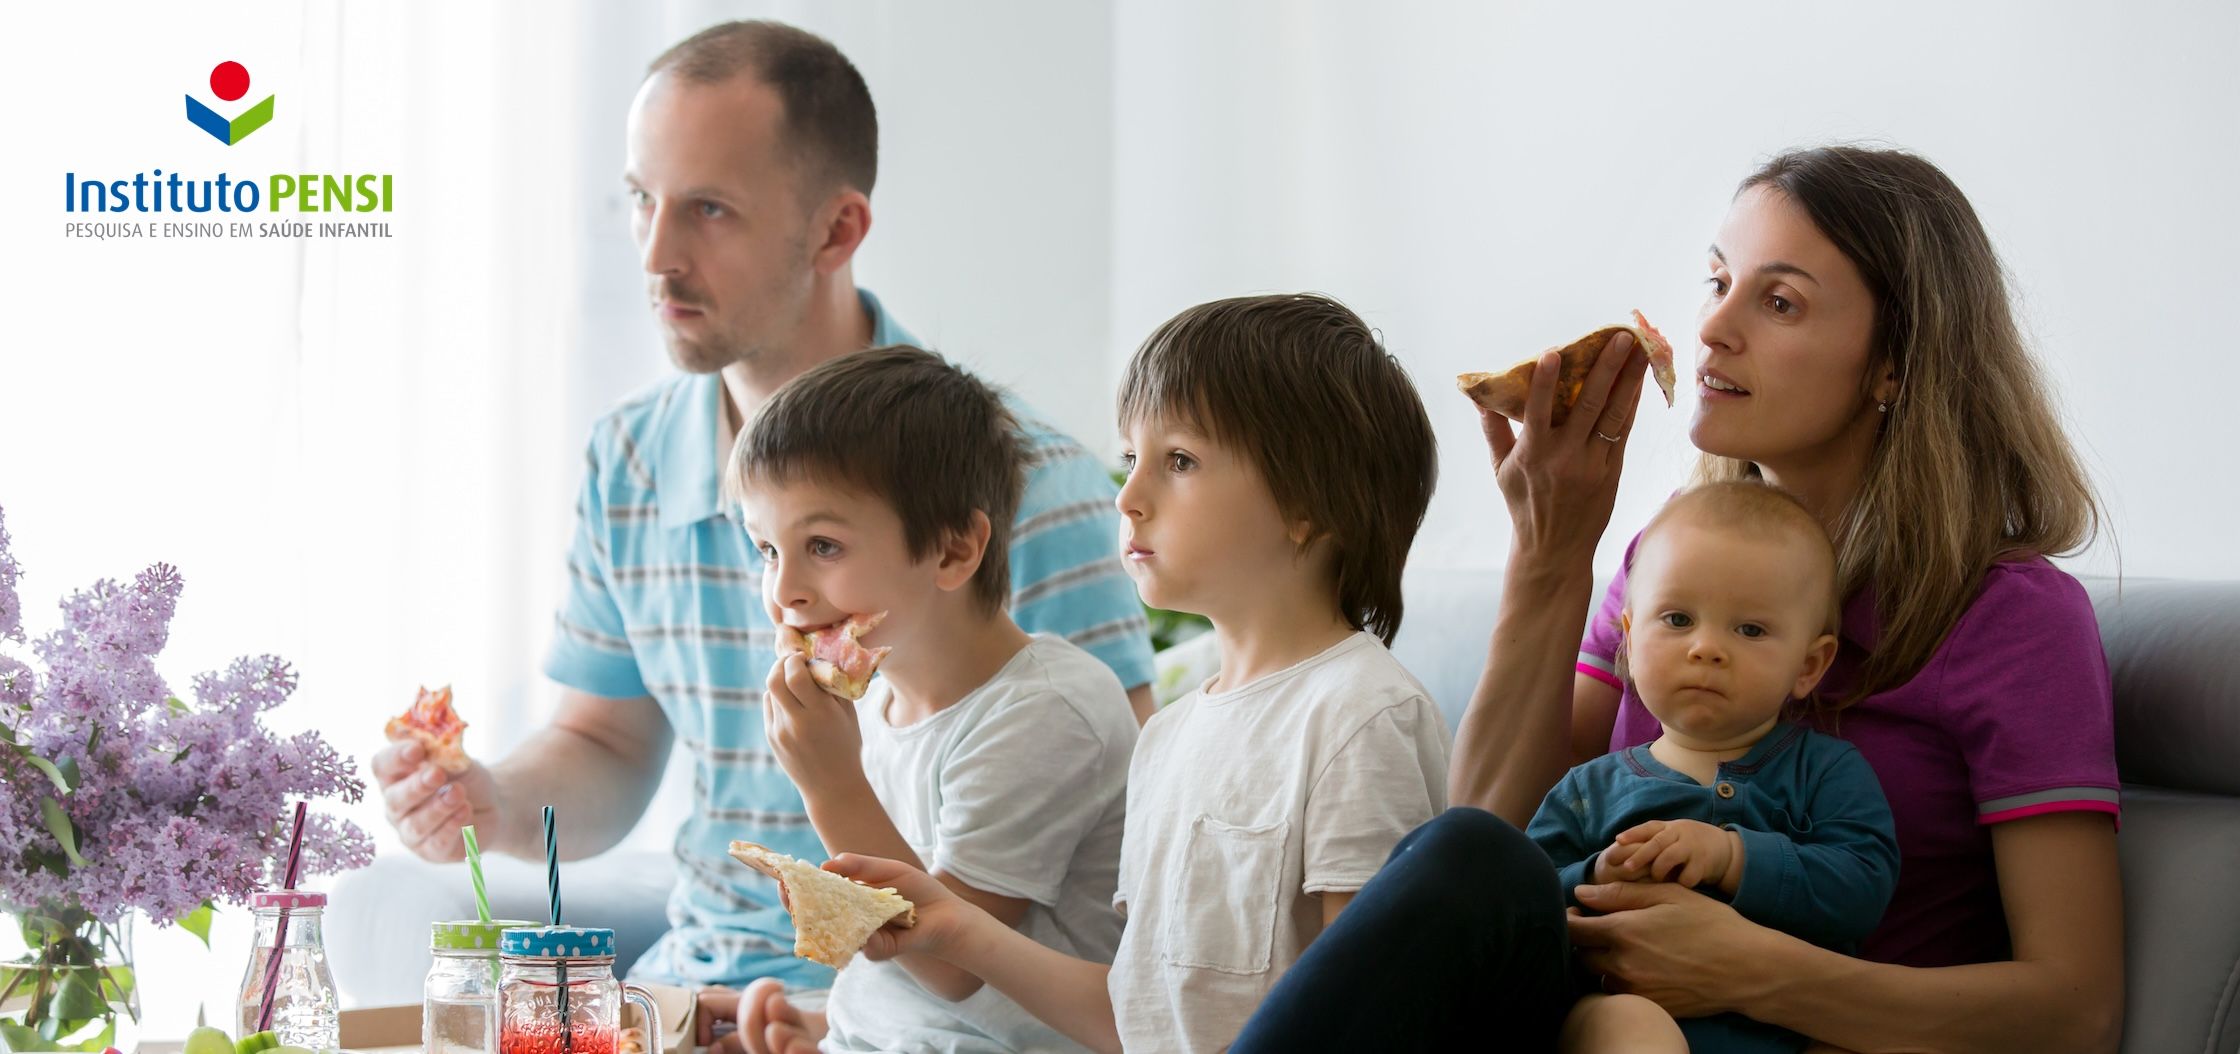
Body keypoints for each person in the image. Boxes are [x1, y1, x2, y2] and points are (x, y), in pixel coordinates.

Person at [1229, 145, 2124, 1054]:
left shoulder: (2014, 617)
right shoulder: (1666, 562)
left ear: (1894, 366)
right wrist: (1551, 549)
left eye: (1778, 302)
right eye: (1717, 282)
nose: (1712, 328)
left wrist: (1754, 971)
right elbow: (1495, 860)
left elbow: (2075, 1010)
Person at [366, 18, 1155, 999]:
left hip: (903, 1007)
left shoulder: (1021, 482)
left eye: (708, 210)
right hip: (692, 989)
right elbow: (603, 741)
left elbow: (1123, 838)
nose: (655, 255)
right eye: (640, 200)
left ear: (837, 229)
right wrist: (494, 802)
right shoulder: (628, 461)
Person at [812, 293, 1448, 1053]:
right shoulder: (1169, 735)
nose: (1129, 497)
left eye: (1179, 461)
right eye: (1129, 459)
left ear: (1307, 503)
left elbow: (1368, 1016)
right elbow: (1134, 1017)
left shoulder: (1361, 714)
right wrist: (954, 928)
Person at [721, 346, 1137, 1053]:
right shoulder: (879, 706)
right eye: (767, 549)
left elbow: (950, 966)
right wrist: (816, 1020)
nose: (783, 590)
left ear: (951, 551)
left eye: (822, 545)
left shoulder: (1045, 712)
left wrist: (831, 785)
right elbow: (901, 982)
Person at [1536, 481, 1896, 1054]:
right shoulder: (1588, 789)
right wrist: (1594, 877)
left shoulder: (1826, 771)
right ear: (1627, 639)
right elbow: (1526, 908)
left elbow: (1863, 888)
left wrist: (1732, 855)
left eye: (1749, 629)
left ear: (1809, 665)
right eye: (1677, 619)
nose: (1706, 648)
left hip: (1796, 1028)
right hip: (1629, 1018)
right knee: (1624, 1025)